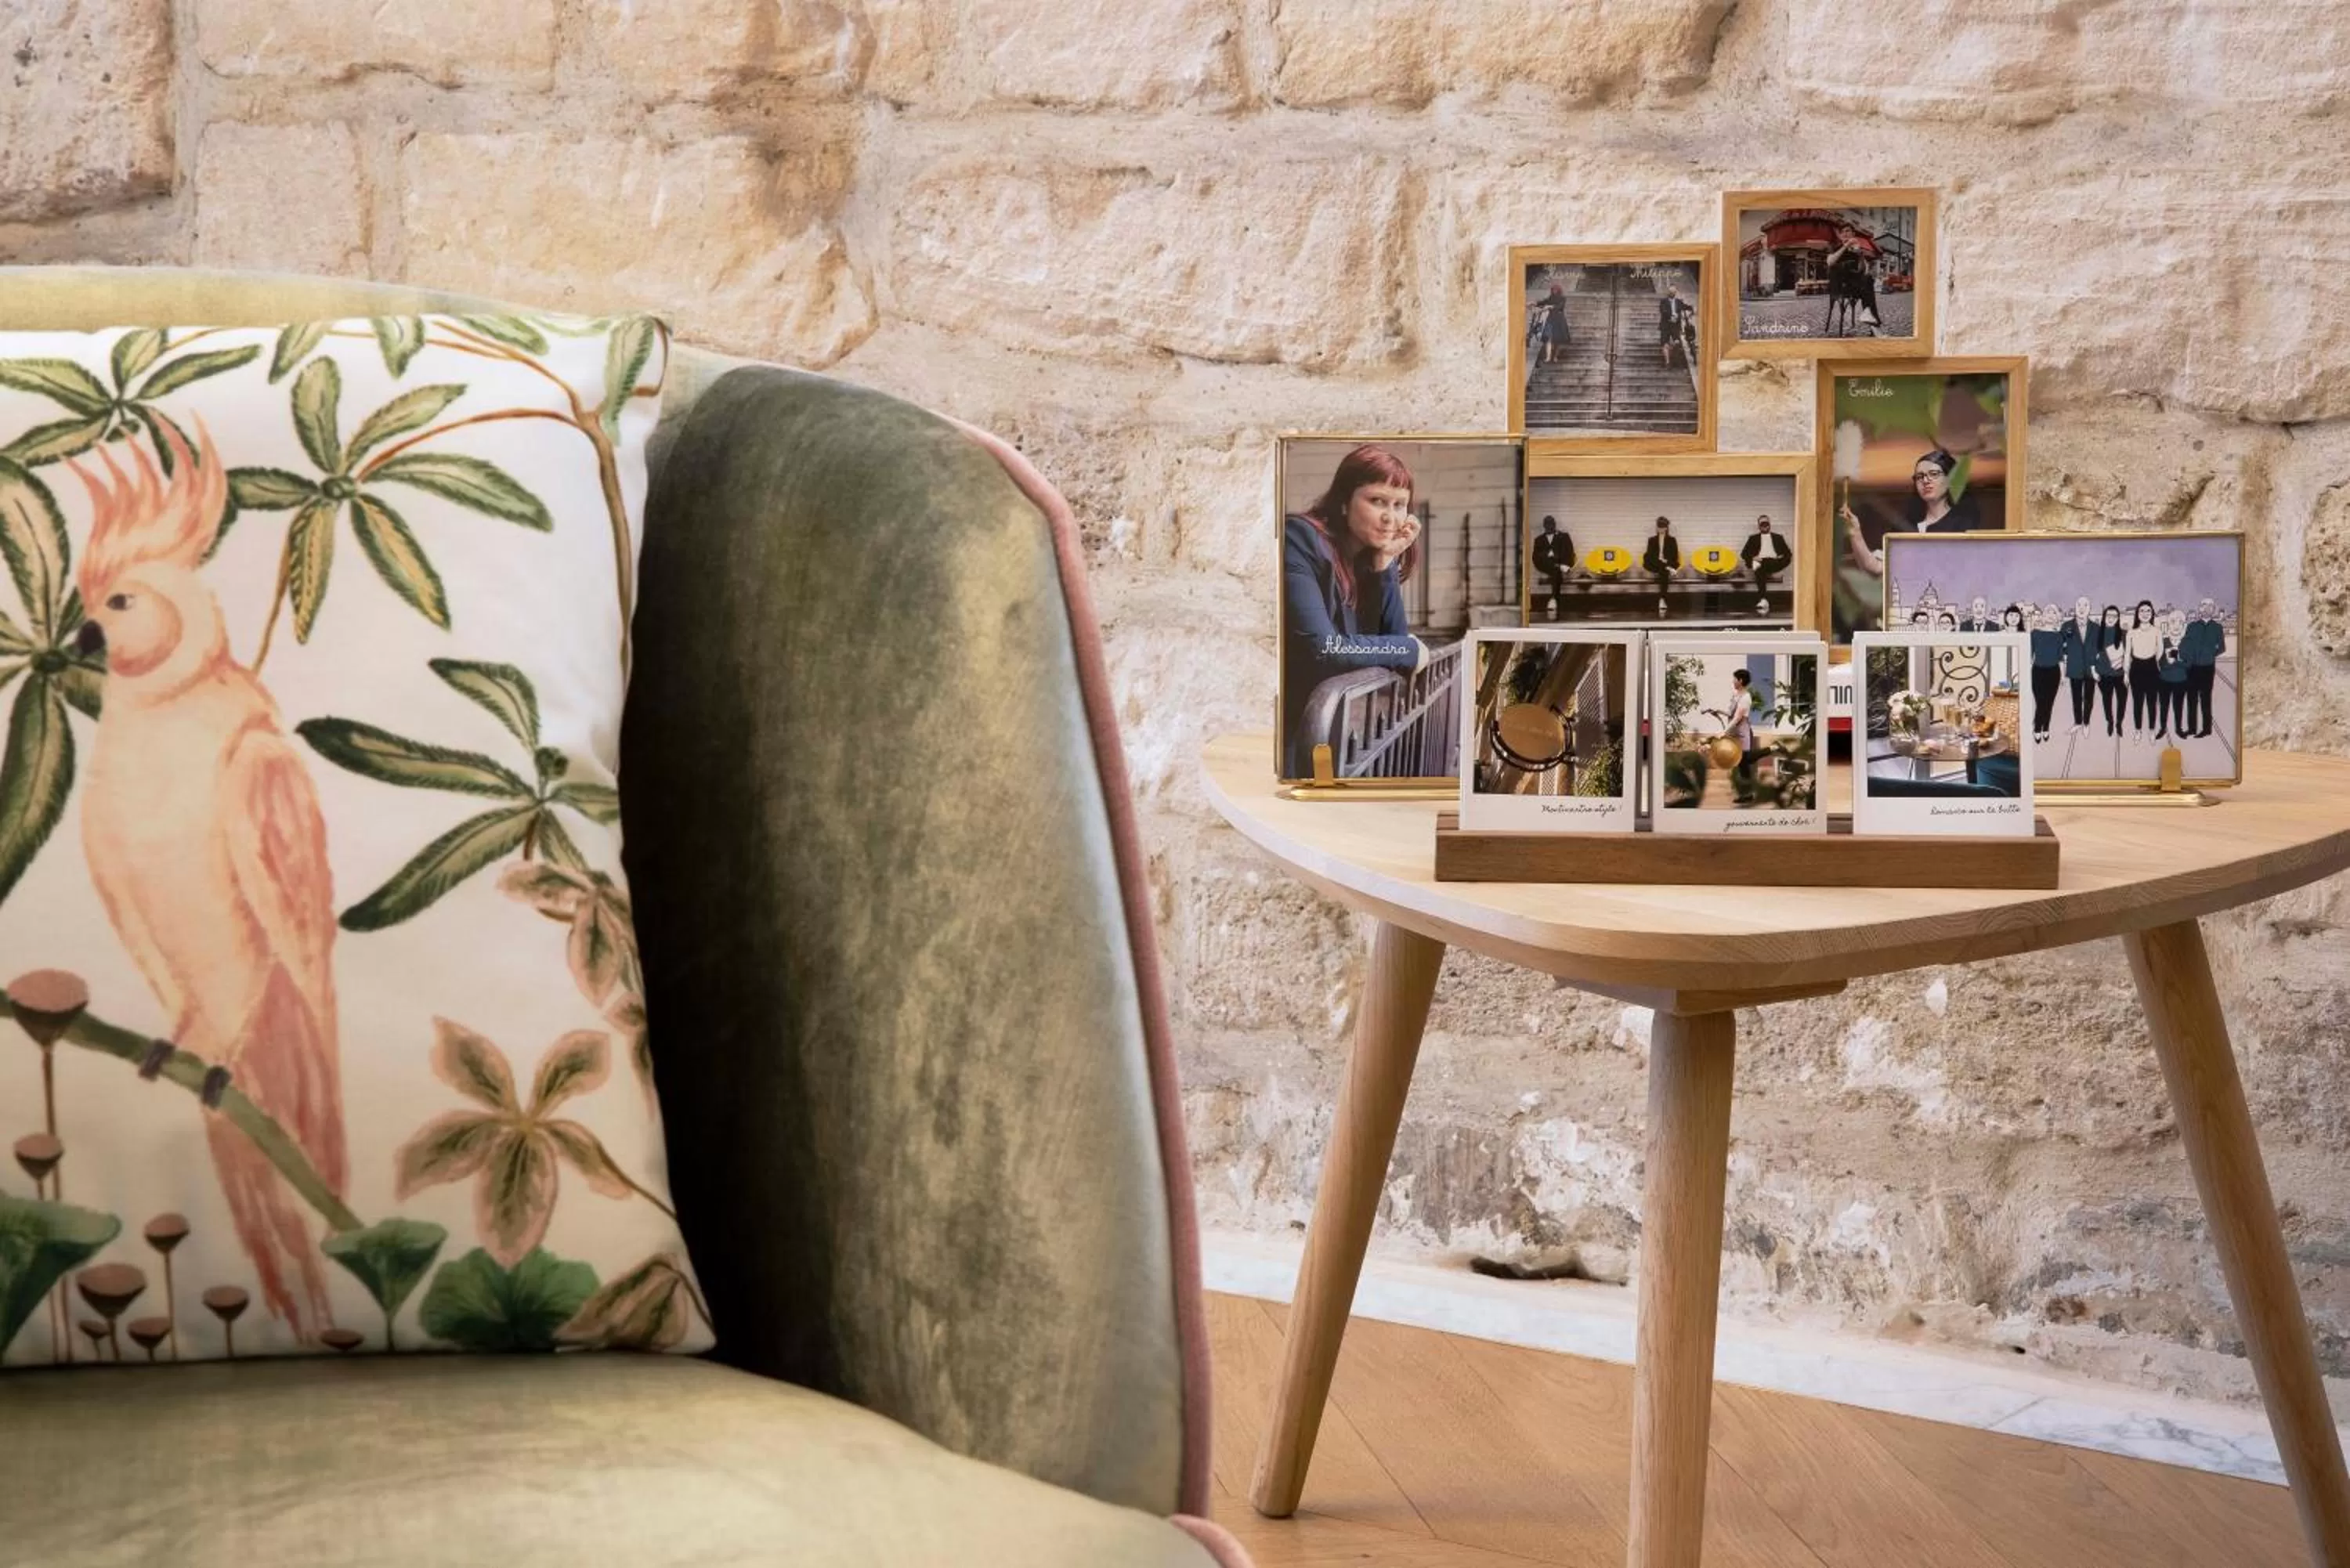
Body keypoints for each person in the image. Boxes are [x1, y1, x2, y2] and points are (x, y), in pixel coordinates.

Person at [1281, 443, 1427, 777]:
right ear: (1344, 503)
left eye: (1400, 505)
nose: (1390, 517)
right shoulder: (1300, 540)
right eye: (1377, 501)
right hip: (1292, 734)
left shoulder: (1363, 558)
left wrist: (1385, 564)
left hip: (1333, 734)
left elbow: (1392, 641)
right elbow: (1326, 648)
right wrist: (1409, 650)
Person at [1839, 449, 1983, 583]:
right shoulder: (1907, 526)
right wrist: (1855, 532)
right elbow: (1876, 567)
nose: (1926, 481)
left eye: (1933, 474)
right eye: (1920, 477)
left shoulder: (1963, 526)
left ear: (1949, 479)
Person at [1825, 223, 1882, 334]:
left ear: (1853, 234)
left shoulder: (1856, 250)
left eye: (1848, 231)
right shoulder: (1834, 247)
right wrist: (1846, 246)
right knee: (1867, 285)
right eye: (1843, 232)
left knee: (1868, 280)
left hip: (1854, 286)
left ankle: (1870, 318)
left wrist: (1860, 255)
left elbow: (1863, 270)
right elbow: (1830, 262)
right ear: (1840, 235)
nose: (1845, 234)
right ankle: (1873, 323)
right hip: (1839, 286)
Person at [2182, 597, 2226, 738]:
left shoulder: (2217, 628)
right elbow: (2186, 646)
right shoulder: (2192, 627)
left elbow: (2222, 648)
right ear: (2199, 609)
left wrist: (2209, 654)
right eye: (2203, 605)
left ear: (2213, 609)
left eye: (2210, 606)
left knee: (2206, 698)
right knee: (2191, 699)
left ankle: (2206, 729)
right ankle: (2192, 729)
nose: (2206, 608)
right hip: (2192, 668)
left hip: (2207, 668)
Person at [2059, 594, 2100, 732]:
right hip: (2074, 667)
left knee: (2089, 698)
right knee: (2076, 697)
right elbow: (2061, 648)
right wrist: (2062, 672)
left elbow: (2100, 649)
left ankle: (2086, 723)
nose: (2082, 608)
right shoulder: (2066, 626)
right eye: (2079, 605)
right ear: (2075, 608)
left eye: (2085, 605)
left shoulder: (2096, 628)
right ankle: (2077, 722)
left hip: (2090, 668)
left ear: (2090, 609)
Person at [1739, 513, 1791, 616]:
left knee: (1760, 569)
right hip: (1760, 562)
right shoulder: (1753, 538)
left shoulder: (1778, 538)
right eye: (1762, 524)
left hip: (1774, 562)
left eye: (1766, 523)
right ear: (1759, 526)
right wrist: (1754, 557)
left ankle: (1763, 599)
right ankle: (1763, 600)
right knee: (1759, 568)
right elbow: (1743, 554)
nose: (1765, 526)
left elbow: (1788, 553)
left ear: (1770, 524)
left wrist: (1780, 557)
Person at [2028, 603, 2064, 743]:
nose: (2050, 614)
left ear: (2057, 617)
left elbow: (2061, 658)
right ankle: (2037, 727)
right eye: (2048, 611)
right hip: (2038, 672)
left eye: (2054, 612)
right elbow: (2030, 656)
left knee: (2049, 703)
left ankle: (2046, 728)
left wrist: (2062, 676)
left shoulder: (2059, 636)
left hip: (2054, 673)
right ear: (2043, 615)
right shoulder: (2035, 634)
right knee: (2040, 702)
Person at [2125, 599, 2162, 735]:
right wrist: (2125, 673)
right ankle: (2138, 730)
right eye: (2142, 611)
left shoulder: (2157, 631)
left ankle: (2152, 730)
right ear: (2137, 614)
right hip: (2136, 669)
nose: (2145, 613)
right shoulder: (2131, 632)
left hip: (2152, 668)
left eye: (2148, 611)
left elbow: (2161, 650)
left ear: (2152, 613)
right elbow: (2127, 654)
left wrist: (2154, 663)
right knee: (2138, 702)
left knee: (2152, 702)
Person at [2156, 609, 2191, 741]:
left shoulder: (2187, 642)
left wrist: (2179, 660)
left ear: (2184, 625)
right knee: (2164, 706)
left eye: (2180, 622)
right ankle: (2163, 728)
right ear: (2168, 624)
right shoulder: (2163, 641)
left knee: (2179, 706)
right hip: (2164, 680)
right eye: (2173, 621)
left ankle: (2178, 729)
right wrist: (2167, 662)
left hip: (2181, 680)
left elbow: (2189, 664)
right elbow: (2159, 662)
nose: (2176, 625)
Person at [1531, 514, 1573, 621]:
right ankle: (1555, 601)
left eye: (1552, 524)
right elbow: (1535, 558)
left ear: (1555, 525)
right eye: (1548, 525)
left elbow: (1570, 552)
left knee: (1556, 572)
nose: (1550, 527)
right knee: (1556, 570)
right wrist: (1547, 555)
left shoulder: (1563, 536)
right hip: (1546, 565)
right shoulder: (1538, 540)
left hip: (1559, 566)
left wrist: (1566, 564)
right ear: (1544, 526)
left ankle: (1553, 600)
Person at [2093, 604, 2128, 736]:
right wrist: (2094, 672)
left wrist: (2127, 673)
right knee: (2107, 700)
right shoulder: (2098, 634)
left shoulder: (2124, 634)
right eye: (2109, 615)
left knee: (2122, 700)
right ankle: (2110, 722)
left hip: (2121, 674)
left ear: (2118, 618)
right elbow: (2092, 654)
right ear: (2104, 617)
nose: (2111, 618)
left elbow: (2129, 654)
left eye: (2114, 616)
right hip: (2104, 674)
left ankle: (2119, 723)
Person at [1642, 515, 1682, 616]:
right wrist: (1663, 562)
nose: (1661, 529)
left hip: (1666, 563)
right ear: (1657, 527)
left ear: (1667, 528)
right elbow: (1650, 555)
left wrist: (1666, 562)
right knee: (1647, 557)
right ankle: (1668, 569)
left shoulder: (1672, 540)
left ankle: (1662, 599)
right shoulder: (1652, 540)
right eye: (1659, 527)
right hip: (1654, 563)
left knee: (1663, 572)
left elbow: (1675, 556)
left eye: (1663, 527)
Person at [1726, 667, 1758, 789]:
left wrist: (1723, 732)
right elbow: (1732, 714)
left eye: (1735, 679)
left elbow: (1737, 718)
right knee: (1742, 763)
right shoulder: (1737, 695)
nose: (1733, 682)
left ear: (1741, 680)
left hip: (1743, 733)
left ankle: (1772, 748)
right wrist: (1718, 712)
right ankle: (1746, 793)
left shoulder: (1746, 698)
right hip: (1736, 732)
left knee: (1744, 762)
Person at [1658, 281, 1694, 368]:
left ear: (1676, 292)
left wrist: (1692, 309)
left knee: (1677, 342)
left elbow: (1686, 307)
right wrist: (1671, 316)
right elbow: (1663, 311)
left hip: (1675, 326)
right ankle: (1667, 362)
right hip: (1666, 325)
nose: (1672, 294)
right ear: (1668, 292)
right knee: (1665, 343)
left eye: (1674, 292)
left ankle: (1674, 359)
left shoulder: (1679, 302)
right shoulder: (1663, 301)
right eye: (1671, 292)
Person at [1541, 280, 1571, 365]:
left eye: (1555, 290)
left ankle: (1555, 357)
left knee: (1557, 340)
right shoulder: (1551, 297)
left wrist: (1551, 306)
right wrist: (1534, 303)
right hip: (1551, 320)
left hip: (1559, 321)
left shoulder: (1563, 298)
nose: (1554, 291)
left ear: (1559, 290)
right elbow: (1543, 302)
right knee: (1548, 338)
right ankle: (1548, 357)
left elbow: (1560, 307)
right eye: (1553, 290)